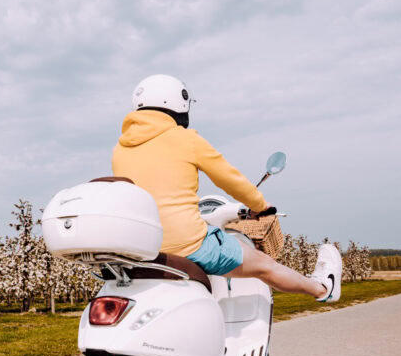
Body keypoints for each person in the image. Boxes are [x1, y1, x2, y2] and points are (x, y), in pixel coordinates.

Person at [111, 74, 341, 301]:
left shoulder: (120, 150)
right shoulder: (186, 139)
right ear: (178, 103)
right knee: (265, 266)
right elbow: (229, 178)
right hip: (189, 244)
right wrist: (260, 205)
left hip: (143, 248)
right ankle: (323, 289)